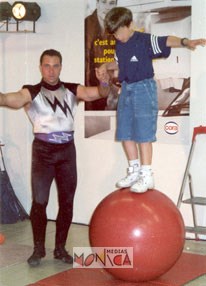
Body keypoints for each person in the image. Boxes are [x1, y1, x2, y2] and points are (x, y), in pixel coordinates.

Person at [0, 49, 111, 266]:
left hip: (66, 152)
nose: (51, 71)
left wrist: (105, 82)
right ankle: (38, 249)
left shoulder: (71, 89)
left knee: (67, 202)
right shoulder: (30, 91)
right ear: (40, 67)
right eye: (47, 65)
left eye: (56, 65)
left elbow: (99, 93)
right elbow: (8, 99)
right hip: (43, 152)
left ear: (61, 67)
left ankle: (60, 249)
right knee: (39, 203)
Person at [97, 7, 206, 193]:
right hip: (127, 89)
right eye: (114, 33)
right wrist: (105, 65)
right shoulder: (119, 45)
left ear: (130, 25)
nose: (117, 36)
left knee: (143, 134)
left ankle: (147, 175)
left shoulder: (144, 40)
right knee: (125, 132)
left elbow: (167, 40)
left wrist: (186, 41)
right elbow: (119, 62)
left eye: (119, 32)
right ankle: (134, 171)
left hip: (143, 88)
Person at [85, 0, 119, 110]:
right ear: (97, 3)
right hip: (91, 86)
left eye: (112, 3)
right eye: (104, 2)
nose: (107, 7)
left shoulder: (120, 26)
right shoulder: (86, 25)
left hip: (114, 86)